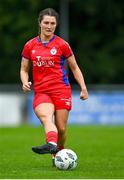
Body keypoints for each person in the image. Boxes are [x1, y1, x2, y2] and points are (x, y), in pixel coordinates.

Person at [20, 8, 88, 165]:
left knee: (61, 129)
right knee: (46, 117)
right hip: (42, 91)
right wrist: (25, 81)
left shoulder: (62, 45)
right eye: (46, 23)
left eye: (52, 23)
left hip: (61, 89)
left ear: (56, 25)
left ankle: (58, 150)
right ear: (40, 23)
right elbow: (24, 69)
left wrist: (83, 88)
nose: (49, 26)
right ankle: (52, 144)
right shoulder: (30, 45)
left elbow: (74, 67)